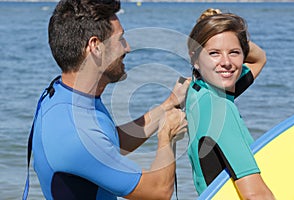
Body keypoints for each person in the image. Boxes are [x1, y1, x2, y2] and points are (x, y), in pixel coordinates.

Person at [22, 0, 190, 199]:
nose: (127, 48)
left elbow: (110, 142)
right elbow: (158, 191)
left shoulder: (65, 94)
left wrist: (168, 104)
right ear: (95, 46)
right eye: (120, 39)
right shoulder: (75, 133)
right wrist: (166, 135)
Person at [185, 9, 275, 199]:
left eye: (234, 52)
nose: (226, 62)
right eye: (214, 53)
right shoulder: (221, 108)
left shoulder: (197, 92)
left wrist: (221, 28)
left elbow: (259, 59)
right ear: (195, 58)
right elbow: (256, 195)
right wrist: (230, 34)